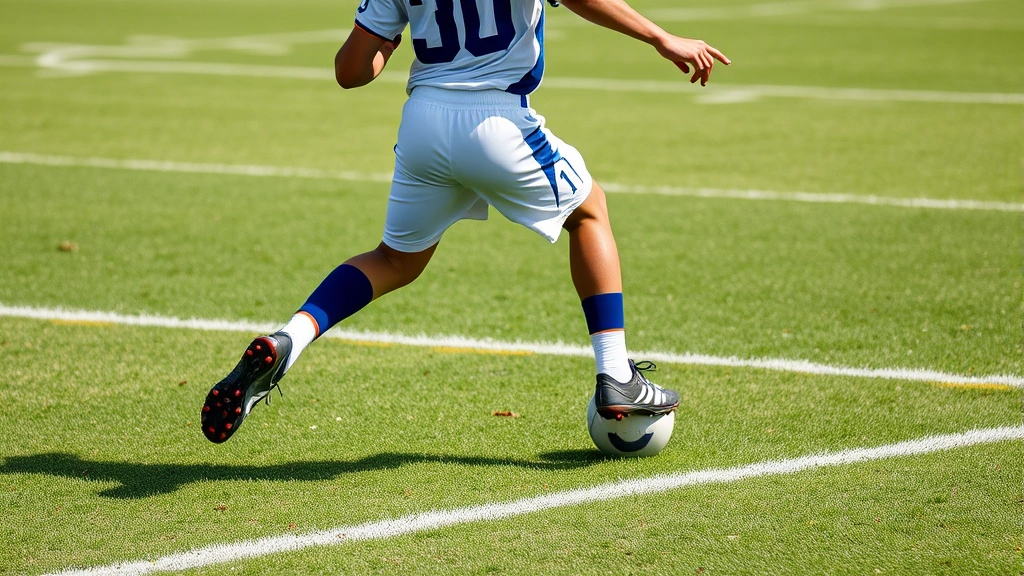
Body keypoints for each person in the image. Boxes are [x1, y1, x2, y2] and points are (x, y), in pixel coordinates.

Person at [201, 0, 729, 443]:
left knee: (395, 260)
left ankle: (292, 336)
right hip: (496, 118)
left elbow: (351, 71)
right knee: (590, 213)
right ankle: (616, 373)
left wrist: (389, 35)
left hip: (424, 121)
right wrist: (662, 37)